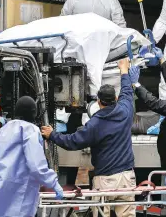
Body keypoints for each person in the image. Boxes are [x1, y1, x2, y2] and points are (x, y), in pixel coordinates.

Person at [41, 58, 136, 217]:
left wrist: (52, 135)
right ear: (116, 99)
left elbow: (72, 142)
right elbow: (127, 91)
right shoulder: (126, 111)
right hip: (127, 177)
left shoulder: (95, 124)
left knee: (101, 213)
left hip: (105, 180)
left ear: (98, 102)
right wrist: (124, 70)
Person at [0, 96, 63, 217]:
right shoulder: (30, 130)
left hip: (1, 187)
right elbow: (36, 165)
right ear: (34, 113)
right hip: (21, 191)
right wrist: (53, 182)